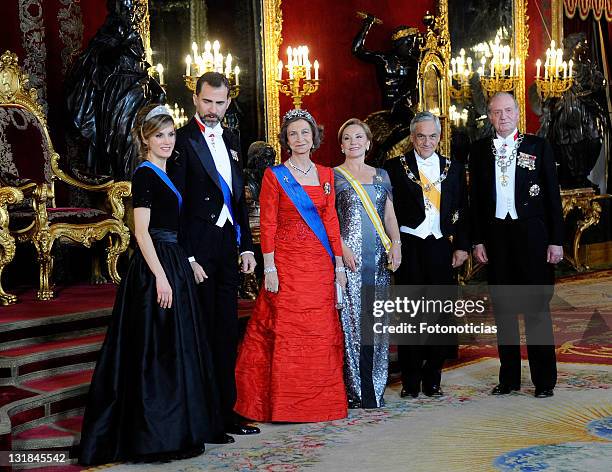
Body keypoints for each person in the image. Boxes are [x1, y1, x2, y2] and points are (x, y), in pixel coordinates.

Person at [79, 104, 222, 465]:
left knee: (174, 350)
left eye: (171, 134)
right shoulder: (144, 175)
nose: (167, 141)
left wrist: (188, 263)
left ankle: (177, 428)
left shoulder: (167, 172)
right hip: (154, 267)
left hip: (173, 261)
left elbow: (176, 227)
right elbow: (140, 232)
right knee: (155, 352)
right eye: (159, 135)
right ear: (145, 138)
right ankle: (154, 435)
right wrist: (161, 276)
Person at [234, 109, 348, 422]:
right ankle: (285, 405)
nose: (299, 139)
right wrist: (268, 268)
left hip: (320, 264)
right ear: (286, 139)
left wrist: (338, 264)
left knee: (319, 332)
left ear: (314, 138)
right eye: (293, 134)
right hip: (286, 264)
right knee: (286, 331)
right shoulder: (275, 175)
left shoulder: (326, 175)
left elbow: (331, 221)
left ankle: (321, 405)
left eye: (305, 133)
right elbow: (267, 224)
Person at [169, 72, 259, 442]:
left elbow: (237, 200)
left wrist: (248, 246)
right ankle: (205, 418)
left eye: (221, 103)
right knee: (203, 335)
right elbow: (175, 205)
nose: (214, 110)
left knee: (225, 334)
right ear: (195, 98)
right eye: (208, 102)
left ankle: (227, 411)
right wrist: (187, 257)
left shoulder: (232, 138)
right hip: (199, 254)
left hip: (227, 250)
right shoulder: (182, 140)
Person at [470, 92, 564, 398]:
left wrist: (556, 240)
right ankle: (509, 378)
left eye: (508, 110)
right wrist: (478, 240)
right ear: (490, 116)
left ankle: (544, 381)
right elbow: (476, 202)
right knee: (504, 311)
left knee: (537, 309)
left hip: (533, 236)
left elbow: (552, 196)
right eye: (496, 112)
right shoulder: (479, 150)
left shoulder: (538, 146)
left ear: (517, 112)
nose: (503, 116)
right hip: (497, 238)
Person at [385, 111, 469, 399]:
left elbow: (463, 209)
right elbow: (386, 210)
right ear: (413, 137)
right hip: (408, 244)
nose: (426, 141)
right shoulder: (394, 168)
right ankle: (410, 380)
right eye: (421, 136)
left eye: (432, 136)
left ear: (439, 137)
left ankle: (433, 377)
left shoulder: (453, 168)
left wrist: (461, 245)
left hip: (439, 245)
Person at [334, 118, 401, 409]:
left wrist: (396, 244)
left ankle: (376, 386)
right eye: (347, 138)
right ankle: (356, 390)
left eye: (358, 137)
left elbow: (389, 216)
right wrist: (341, 249)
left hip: (378, 258)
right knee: (352, 324)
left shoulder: (381, 176)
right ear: (341, 145)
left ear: (368, 142)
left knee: (376, 323)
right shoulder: (333, 176)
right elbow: (329, 219)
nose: (353, 142)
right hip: (349, 260)